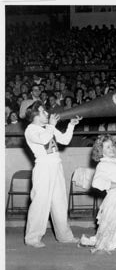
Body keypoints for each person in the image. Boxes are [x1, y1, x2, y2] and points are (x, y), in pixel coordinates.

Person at [24, 101, 82, 248]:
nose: (47, 113)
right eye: (44, 111)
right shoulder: (30, 130)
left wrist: (71, 125)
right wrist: (51, 125)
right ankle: (32, 238)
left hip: (56, 166)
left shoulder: (47, 127)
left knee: (60, 202)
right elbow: (43, 139)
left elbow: (65, 140)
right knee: (40, 203)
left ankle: (64, 236)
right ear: (35, 115)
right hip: (43, 167)